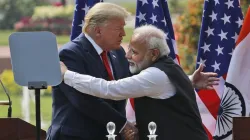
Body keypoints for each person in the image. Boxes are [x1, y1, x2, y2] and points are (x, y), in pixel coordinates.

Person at [60, 25, 220, 140]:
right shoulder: (169, 68)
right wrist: (189, 80)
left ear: (153, 54)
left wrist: (67, 75)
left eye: (134, 52)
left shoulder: (154, 75)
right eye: (129, 49)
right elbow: (166, 87)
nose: (127, 56)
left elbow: (108, 89)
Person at [46, 3, 138, 140]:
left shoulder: (118, 52)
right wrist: (123, 125)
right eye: (119, 28)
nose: (123, 33)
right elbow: (84, 100)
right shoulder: (70, 54)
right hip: (75, 136)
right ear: (98, 31)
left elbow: (126, 87)